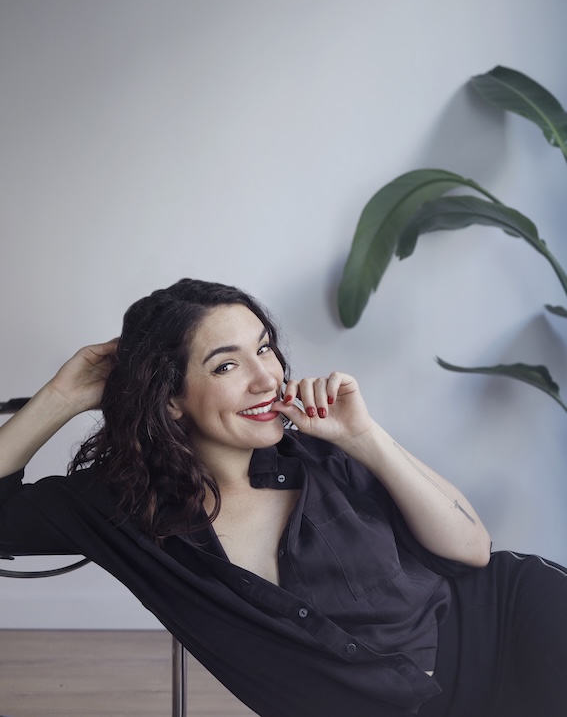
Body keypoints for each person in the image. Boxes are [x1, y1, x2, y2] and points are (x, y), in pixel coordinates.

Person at [0, 278, 566, 717]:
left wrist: (363, 437)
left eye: (265, 349)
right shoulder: (123, 509)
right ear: (171, 398)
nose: (266, 379)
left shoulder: (323, 454)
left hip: (512, 631)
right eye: (227, 364)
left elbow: (472, 549)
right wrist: (60, 397)